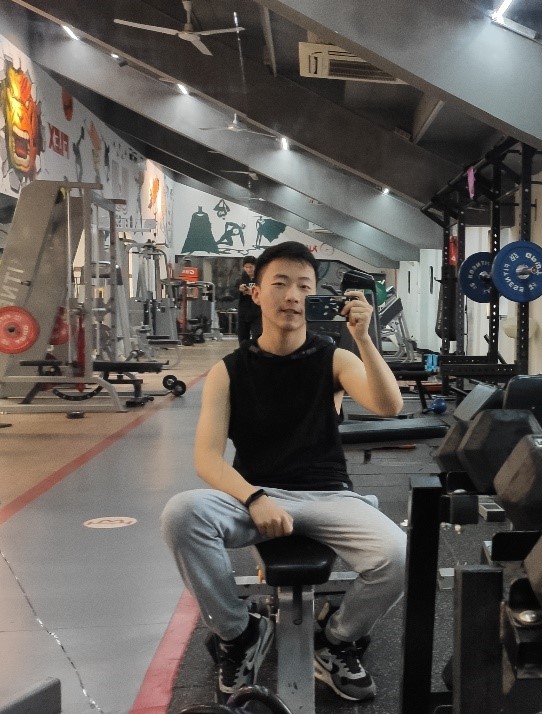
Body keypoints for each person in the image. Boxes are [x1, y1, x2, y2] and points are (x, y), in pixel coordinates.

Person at [161, 241, 405, 703]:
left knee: (398, 554)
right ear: (256, 293)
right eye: (280, 283)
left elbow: (389, 406)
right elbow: (207, 459)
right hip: (254, 496)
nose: (292, 295)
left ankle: (336, 640)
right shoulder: (228, 371)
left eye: (304, 287)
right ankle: (240, 633)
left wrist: (364, 339)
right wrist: (255, 498)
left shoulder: (334, 358)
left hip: (328, 495)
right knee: (180, 513)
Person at [235, 255, 261, 347]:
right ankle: (246, 353)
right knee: (242, 338)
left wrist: (252, 292)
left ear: (255, 266)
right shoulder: (240, 279)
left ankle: (256, 353)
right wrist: (239, 290)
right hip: (243, 312)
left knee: (257, 336)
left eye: (251, 267)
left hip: (257, 312)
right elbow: (233, 293)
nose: (249, 269)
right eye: (246, 267)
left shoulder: (260, 278)